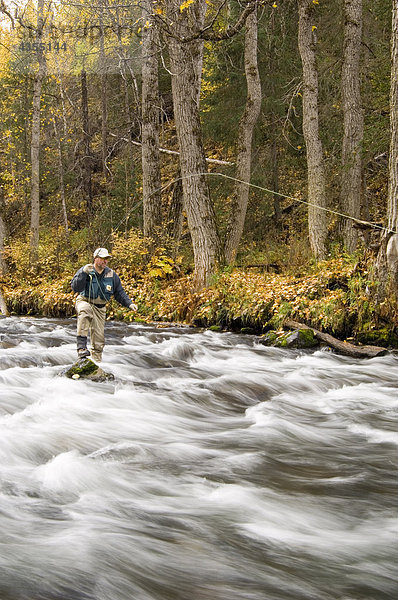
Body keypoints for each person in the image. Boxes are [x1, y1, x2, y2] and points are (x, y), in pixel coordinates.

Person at [71, 247, 137, 362]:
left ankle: (96, 363)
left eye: (107, 259)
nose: (105, 261)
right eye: (103, 259)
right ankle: (81, 348)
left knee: (99, 339)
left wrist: (129, 304)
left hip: (100, 308)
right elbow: (75, 287)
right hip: (85, 301)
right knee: (85, 312)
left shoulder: (111, 275)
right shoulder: (86, 270)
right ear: (95, 259)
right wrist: (82, 273)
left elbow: (119, 292)